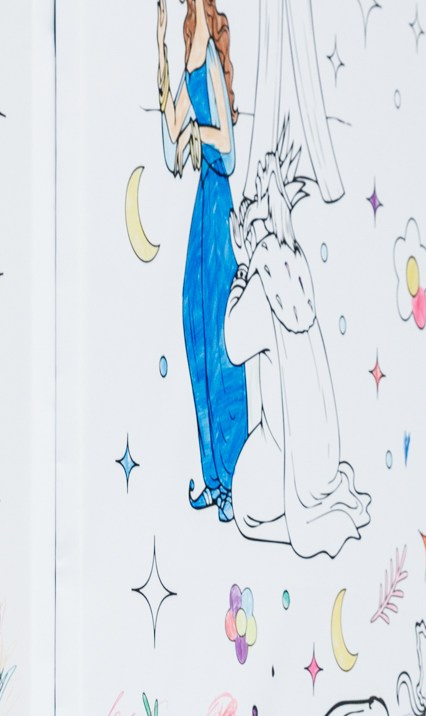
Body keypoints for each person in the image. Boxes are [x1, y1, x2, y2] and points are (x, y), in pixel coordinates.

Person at [156, 0, 247, 521]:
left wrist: (196, 134)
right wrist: (161, 47)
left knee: (218, 338)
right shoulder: (189, 45)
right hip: (203, 203)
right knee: (195, 324)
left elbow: (226, 147)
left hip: (218, 202)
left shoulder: (208, 53)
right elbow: (172, 136)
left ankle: (232, 476)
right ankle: (213, 476)